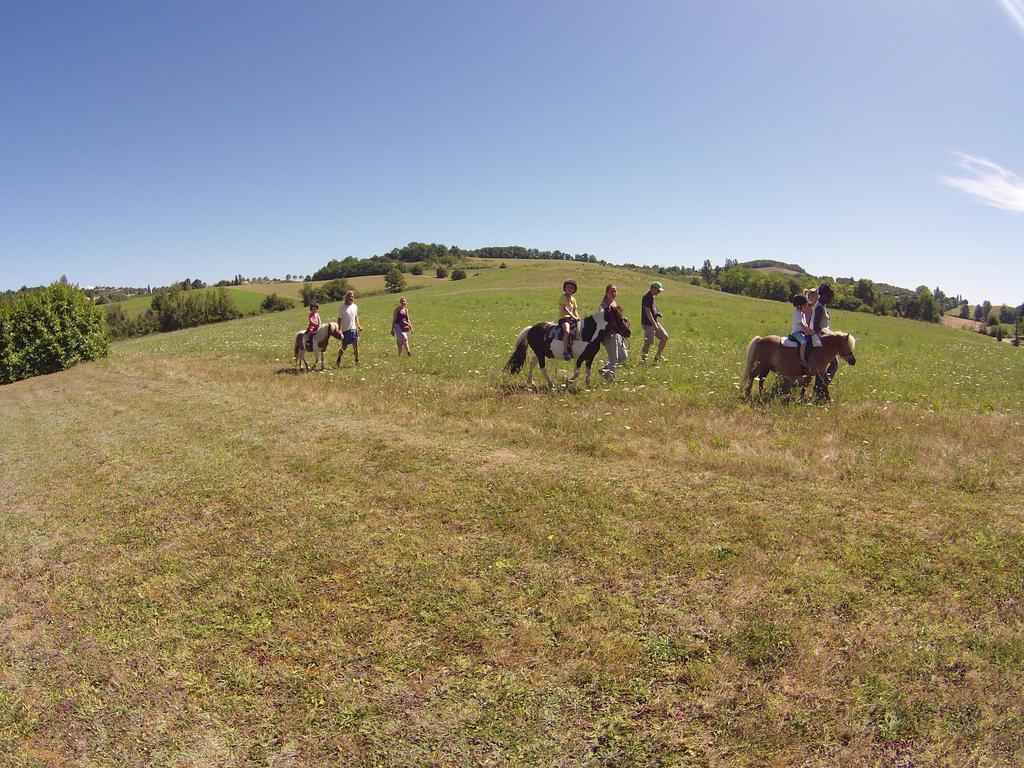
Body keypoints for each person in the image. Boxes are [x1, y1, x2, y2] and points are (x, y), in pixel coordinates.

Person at [810, 283, 838, 386]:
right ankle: (822, 385)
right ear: (825, 295)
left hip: (822, 338)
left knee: (825, 364)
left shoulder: (821, 306)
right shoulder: (819, 307)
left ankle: (821, 386)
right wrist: (828, 335)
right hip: (820, 339)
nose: (830, 300)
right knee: (833, 363)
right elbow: (816, 327)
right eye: (830, 297)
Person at [597, 284, 628, 377]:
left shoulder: (614, 303)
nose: (614, 293)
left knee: (623, 356)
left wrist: (622, 321)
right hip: (608, 335)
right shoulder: (603, 305)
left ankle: (603, 370)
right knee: (614, 360)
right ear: (606, 293)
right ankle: (609, 379)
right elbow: (601, 320)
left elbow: (617, 318)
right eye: (611, 291)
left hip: (616, 334)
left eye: (615, 291)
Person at [640, 281, 668, 363]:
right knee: (648, 342)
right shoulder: (646, 297)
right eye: (658, 290)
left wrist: (657, 313)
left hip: (654, 322)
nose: (659, 292)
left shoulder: (652, 297)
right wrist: (654, 324)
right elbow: (648, 312)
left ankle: (657, 357)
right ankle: (643, 361)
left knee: (665, 337)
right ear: (652, 288)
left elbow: (652, 310)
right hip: (649, 324)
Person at [336, 290, 363, 367]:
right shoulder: (342, 308)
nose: (351, 298)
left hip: (353, 329)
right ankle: (339, 358)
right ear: (346, 297)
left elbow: (355, 317)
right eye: (350, 296)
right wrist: (340, 330)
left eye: (352, 296)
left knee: (356, 346)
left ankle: (357, 362)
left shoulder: (355, 306)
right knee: (344, 346)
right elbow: (339, 320)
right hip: (345, 330)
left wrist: (359, 326)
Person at [788, 295, 813, 374]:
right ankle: (802, 360)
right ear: (799, 305)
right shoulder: (797, 313)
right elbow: (801, 325)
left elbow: (805, 324)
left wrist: (810, 331)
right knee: (804, 342)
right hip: (796, 333)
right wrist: (808, 331)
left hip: (802, 332)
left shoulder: (802, 313)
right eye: (804, 305)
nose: (806, 306)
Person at [559, 280, 580, 360]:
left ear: (574, 290)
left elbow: (575, 310)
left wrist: (578, 318)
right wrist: (574, 317)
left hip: (572, 319)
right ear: (565, 288)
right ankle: (565, 351)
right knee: (567, 331)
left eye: (572, 288)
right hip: (564, 318)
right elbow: (566, 309)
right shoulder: (563, 297)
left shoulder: (573, 299)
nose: (570, 289)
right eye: (568, 287)